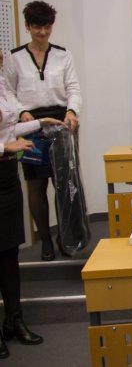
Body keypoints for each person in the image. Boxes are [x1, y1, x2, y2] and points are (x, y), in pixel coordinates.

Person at [3, 1, 82, 261]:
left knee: (64, 183)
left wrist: (72, 111)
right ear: (27, 26)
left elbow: (73, 88)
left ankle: (66, 238)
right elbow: (9, 93)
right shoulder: (14, 58)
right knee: (36, 185)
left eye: (47, 27)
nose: (43, 32)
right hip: (30, 123)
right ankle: (45, 241)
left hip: (61, 120)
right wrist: (21, 112)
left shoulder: (63, 54)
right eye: (37, 27)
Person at [0, 50, 63, 359]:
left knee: (10, 253)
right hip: (3, 159)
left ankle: (14, 319)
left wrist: (39, 123)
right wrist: (3, 146)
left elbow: (9, 127)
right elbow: (4, 138)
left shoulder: (0, 83)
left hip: (6, 175)